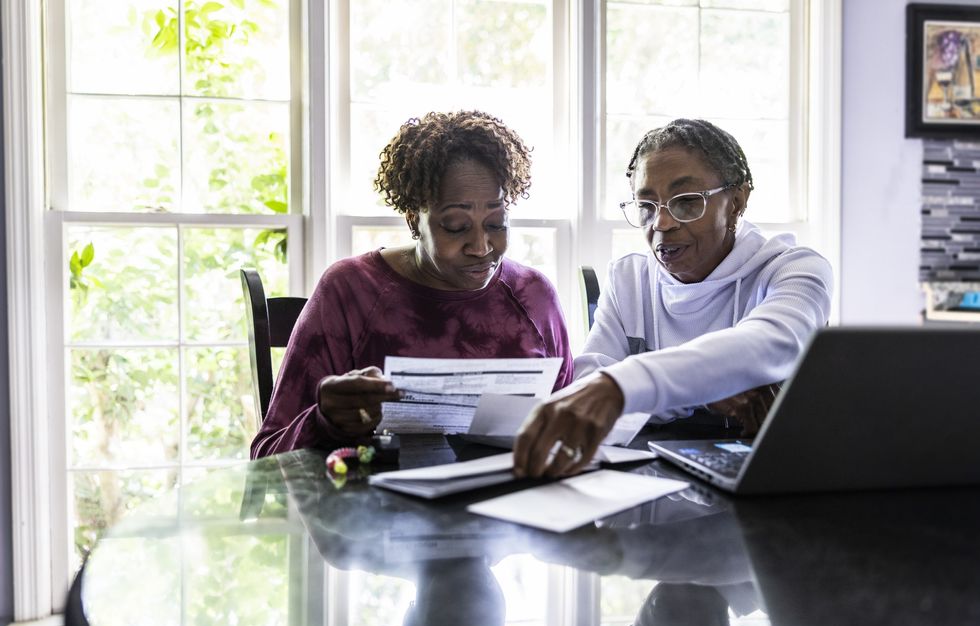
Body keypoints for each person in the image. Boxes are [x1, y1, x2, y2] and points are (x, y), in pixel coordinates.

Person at [514, 118, 832, 478]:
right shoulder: (629, 279)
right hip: (651, 484)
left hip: (775, 481)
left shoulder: (796, 270)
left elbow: (769, 342)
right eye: (647, 205)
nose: (661, 223)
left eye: (685, 202)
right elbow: (591, 383)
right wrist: (705, 387)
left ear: (737, 202)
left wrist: (625, 387)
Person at [252, 110, 573, 458]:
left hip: (517, 505)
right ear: (413, 219)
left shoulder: (534, 296)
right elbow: (267, 455)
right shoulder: (349, 291)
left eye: (496, 223)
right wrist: (326, 421)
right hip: (379, 508)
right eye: (455, 226)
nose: (481, 247)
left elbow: (573, 434)